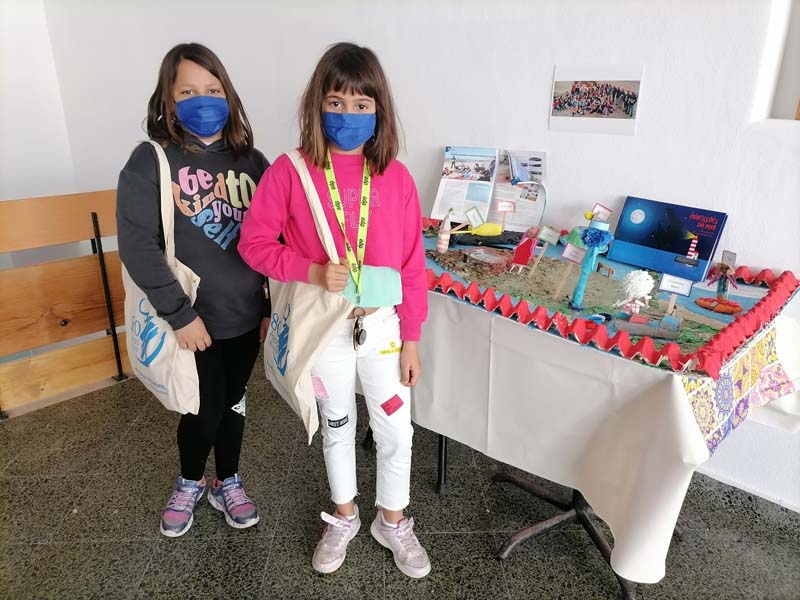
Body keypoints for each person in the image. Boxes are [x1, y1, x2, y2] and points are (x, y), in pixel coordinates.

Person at [239, 42, 430, 579]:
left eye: (361, 104)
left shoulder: (396, 177)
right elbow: (254, 244)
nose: (348, 114)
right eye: (336, 102)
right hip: (323, 329)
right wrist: (310, 270)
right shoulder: (290, 171)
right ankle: (344, 516)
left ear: (379, 110)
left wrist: (412, 338)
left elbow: (413, 266)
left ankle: (392, 521)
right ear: (317, 106)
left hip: (384, 330)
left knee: (396, 431)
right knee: (338, 425)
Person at [117, 43, 270, 537]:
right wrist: (180, 315)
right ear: (167, 99)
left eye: (213, 89)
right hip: (191, 322)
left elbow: (274, 240)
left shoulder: (253, 162)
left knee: (233, 402)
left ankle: (228, 480)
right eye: (187, 92)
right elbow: (138, 246)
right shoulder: (151, 161)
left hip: (245, 314)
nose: (202, 100)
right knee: (202, 410)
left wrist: (269, 307)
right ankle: (190, 480)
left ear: (229, 95)